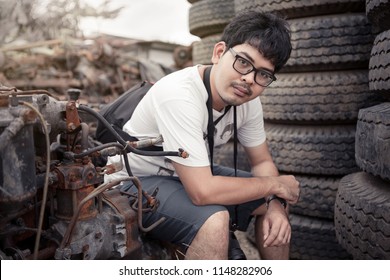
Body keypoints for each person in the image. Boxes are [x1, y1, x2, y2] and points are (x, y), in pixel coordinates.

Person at [105, 10, 300, 260]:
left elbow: (262, 162)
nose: (249, 79)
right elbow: (202, 192)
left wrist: (275, 202)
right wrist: (276, 185)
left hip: (187, 173)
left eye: (263, 74)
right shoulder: (179, 94)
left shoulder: (247, 101)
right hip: (134, 181)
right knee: (215, 219)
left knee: (276, 203)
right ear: (219, 53)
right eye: (243, 62)